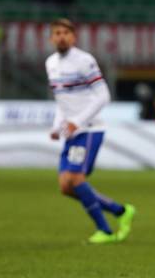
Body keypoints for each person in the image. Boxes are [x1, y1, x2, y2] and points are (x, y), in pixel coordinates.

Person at [46, 18, 136, 244]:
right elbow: (62, 100)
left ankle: (104, 231)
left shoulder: (84, 61)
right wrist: (58, 125)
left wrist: (78, 121)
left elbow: (103, 95)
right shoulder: (51, 64)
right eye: (57, 33)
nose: (61, 37)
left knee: (75, 178)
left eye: (66, 33)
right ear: (51, 38)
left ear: (73, 37)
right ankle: (121, 211)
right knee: (65, 187)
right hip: (72, 132)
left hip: (90, 130)